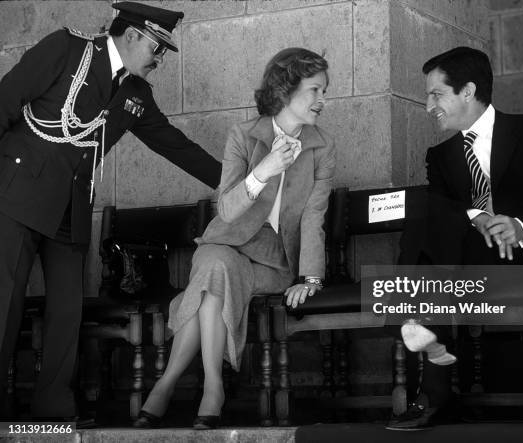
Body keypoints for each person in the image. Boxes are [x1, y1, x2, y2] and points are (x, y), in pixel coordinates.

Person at [0, 2, 222, 423]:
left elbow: (175, 146)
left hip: (69, 209)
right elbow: (5, 102)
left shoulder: (135, 93)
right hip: (18, 195)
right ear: (133, 34)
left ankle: (52, 413)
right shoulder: (66, 50)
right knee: (4, 303)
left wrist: (242, 182)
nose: (159, 60)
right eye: (157, 49)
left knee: (67, 312)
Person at [133, 47, 335, 430]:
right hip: (225, 241)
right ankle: (213, 387)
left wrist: (310, 278)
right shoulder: (243, 136)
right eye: (315, 90)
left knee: (211, 280)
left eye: (325, 90)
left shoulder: (322, 146)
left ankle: (167, 384)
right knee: (216, 267)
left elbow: (314, 215)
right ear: (285, 89)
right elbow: (225, 210)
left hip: (271, 261)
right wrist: (264, 170)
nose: (323, 100)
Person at [390, 46, 523, 429]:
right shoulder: (440, 155)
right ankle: (435, 393)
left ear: (468, 91)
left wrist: (519, 226)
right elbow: (443, 217)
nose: (428, 106)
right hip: (468, 258)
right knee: (427, 214)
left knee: (428, 233)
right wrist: (477, 218)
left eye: (436, 94)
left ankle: (424, 372)